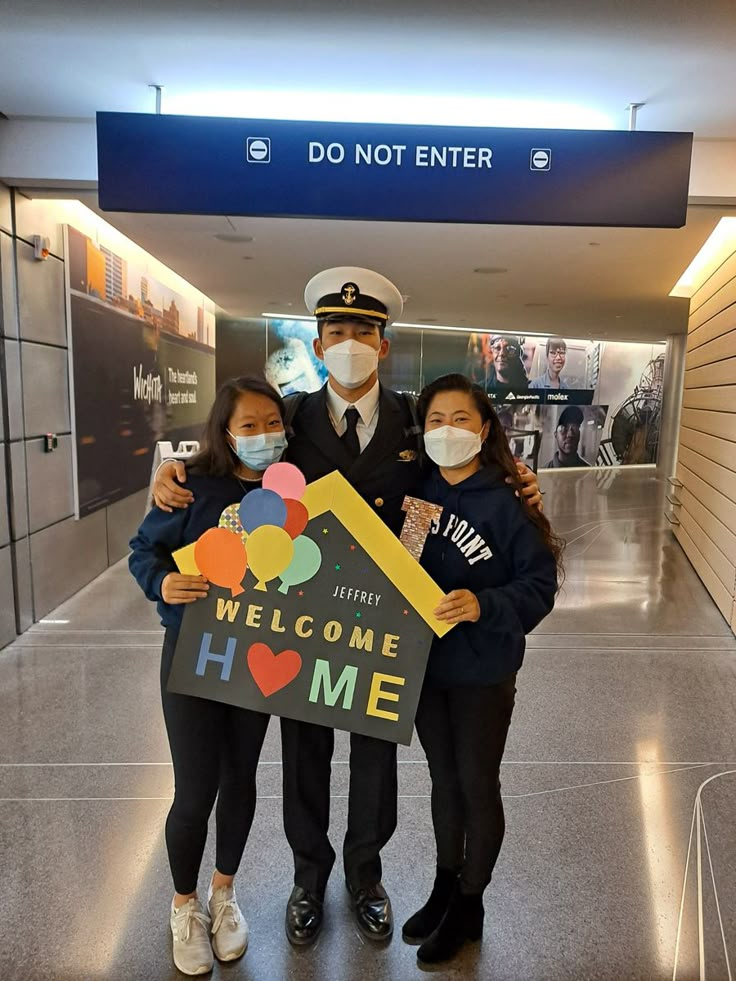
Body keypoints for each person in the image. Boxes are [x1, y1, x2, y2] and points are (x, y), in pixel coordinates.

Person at [151, 267, 544, 947]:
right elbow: (234, 464)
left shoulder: (414, 420)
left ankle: (366, 875)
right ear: (318, 340)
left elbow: (461, 470)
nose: (351, 341)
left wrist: (519, 481)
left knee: (375, 757)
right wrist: (175, 470)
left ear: (384, 344)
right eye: (338, 330)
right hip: (305, 618)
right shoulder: (289, 419)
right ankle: (309, 877)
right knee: (304, 753)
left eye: (364, 331)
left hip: (382, 622)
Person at [401, 373, 563, 964]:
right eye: (436, 420)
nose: (448, 431)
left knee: (476, 782)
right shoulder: (417, 495)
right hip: (426, 668)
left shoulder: (508, 500)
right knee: (442, 781)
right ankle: (446, 885)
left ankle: (472, 903)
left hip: (484, 671)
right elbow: (401, 564)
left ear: (486, 427)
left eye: (461, 419)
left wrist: (483, 603)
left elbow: (540, 585)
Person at [129, 376, 287, 976]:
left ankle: (224, 894)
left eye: (273, 423)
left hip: (260, 662)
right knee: (195, 789)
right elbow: (144, 551)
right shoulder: (190, 488)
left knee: (240, 777)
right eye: (248, 425)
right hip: (193, 655)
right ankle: (184, 905)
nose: (263, 435)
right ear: (224, 431)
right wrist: (162, 583)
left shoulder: (296, 490)